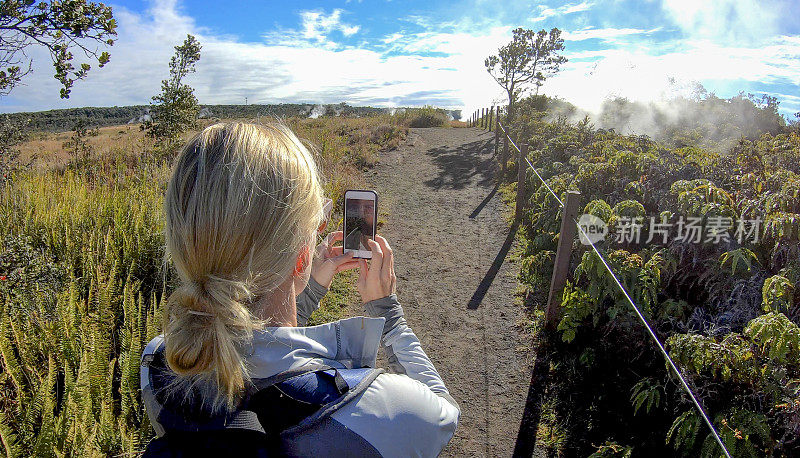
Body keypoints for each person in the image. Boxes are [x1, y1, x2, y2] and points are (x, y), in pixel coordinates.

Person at [140, 122, 460, 457]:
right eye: (318, 223)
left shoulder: (163, 364)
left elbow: (256, 345)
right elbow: (444, 416)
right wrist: (389, 316)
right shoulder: (384, 409)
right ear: (301, 253)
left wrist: (303, 293)